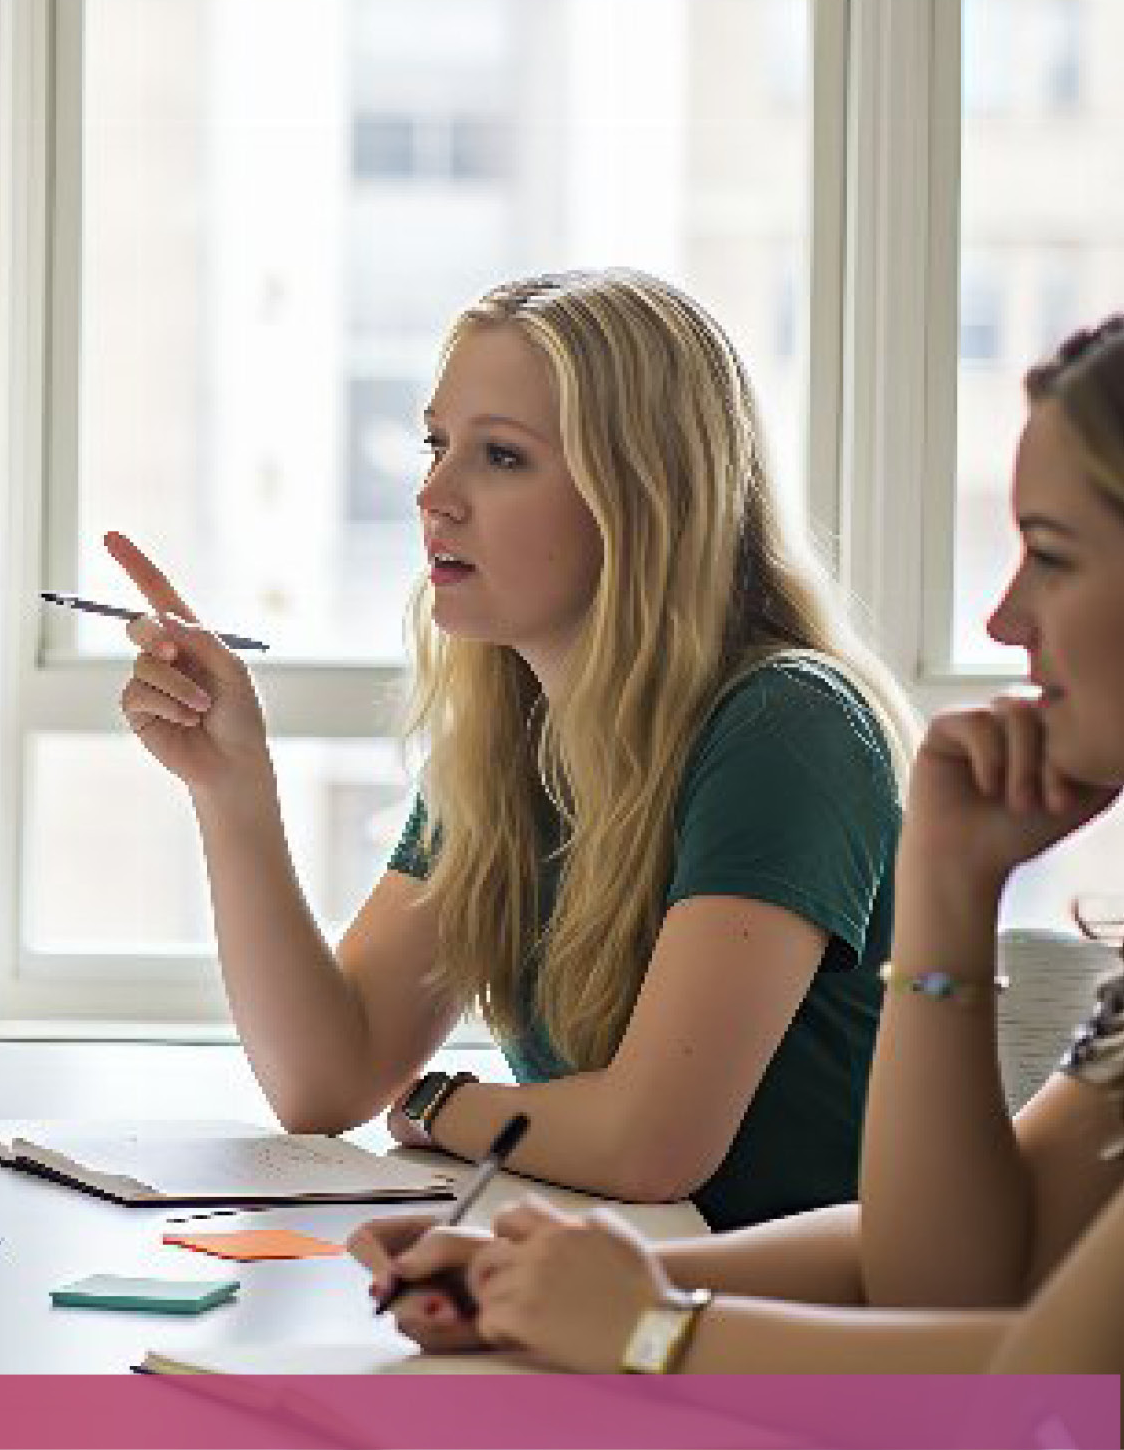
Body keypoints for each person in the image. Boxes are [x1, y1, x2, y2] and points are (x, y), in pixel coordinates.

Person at [356, 315, 1124, 1374]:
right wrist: (549, 1277)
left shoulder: (781, 716)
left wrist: (651, 1328)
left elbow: (1048, 1389)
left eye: (1051, 553)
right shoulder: (518, 727)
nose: (1002, 618)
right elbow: (946, 1277)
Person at [111, 267, 914, 1227]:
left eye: (499, 457)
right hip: (612, 1293)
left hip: (789, 1340)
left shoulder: (786, 725)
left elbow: (650, 1142)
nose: (431, 494)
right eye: (436, 443)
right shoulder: (513, 739)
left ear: (640, 495)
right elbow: (325, 1080)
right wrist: (232, 790)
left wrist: (445, 1106)